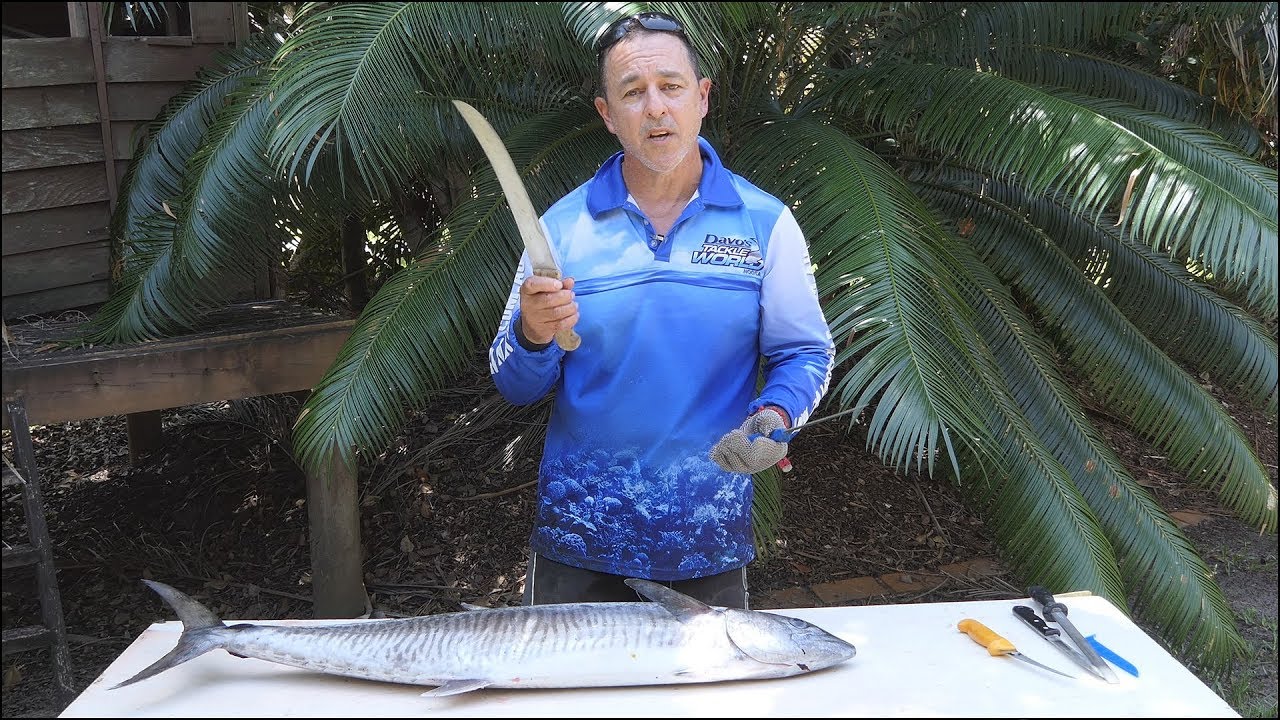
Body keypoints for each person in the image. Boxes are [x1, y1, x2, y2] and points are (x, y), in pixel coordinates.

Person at [489, 11, 834, 608]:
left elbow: (805, 350)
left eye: (671, 87)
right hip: (576, 542)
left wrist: (777, 413)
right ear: (607, 115)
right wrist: (533, 336)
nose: (654, 108)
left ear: (701, 98)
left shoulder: (766, 223)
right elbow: (514, 383)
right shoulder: (560, 231)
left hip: (706, 538)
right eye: (633, 92)